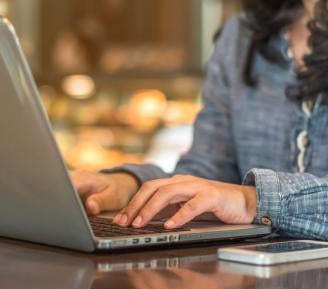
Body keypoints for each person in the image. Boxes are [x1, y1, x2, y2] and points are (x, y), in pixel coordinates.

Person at [71, 0, 328, 240]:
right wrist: (131, 188)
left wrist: (251, 201)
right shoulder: (240, 36)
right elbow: (211, 172)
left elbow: (236, 197)